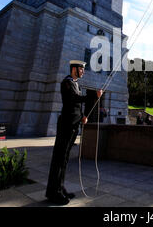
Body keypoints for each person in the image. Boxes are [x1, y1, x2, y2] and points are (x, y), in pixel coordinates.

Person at [45, 60, 103, 205]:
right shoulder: (67, 82)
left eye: (83, 69)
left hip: (73, 125)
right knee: (59, 158)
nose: (83, 71)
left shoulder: (76, 84)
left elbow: (76, 105)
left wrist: (82, 116)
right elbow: (73, 99)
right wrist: (94, 96)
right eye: (81, 69)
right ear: (73, 69)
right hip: (66, 125)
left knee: (64, 159)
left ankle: (60, 187)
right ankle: (53, 193)